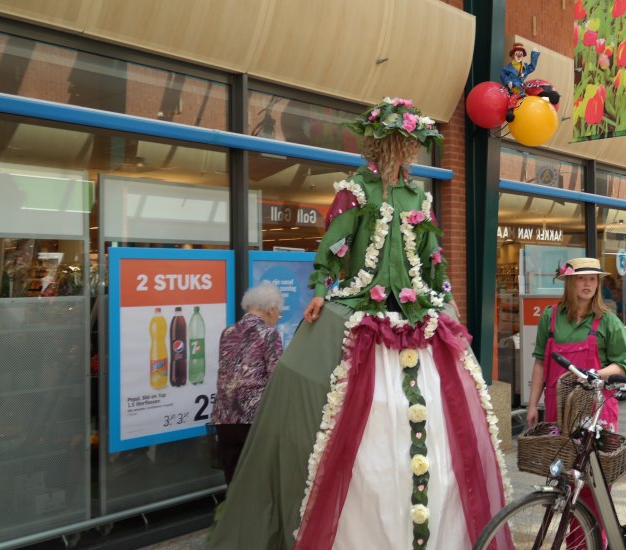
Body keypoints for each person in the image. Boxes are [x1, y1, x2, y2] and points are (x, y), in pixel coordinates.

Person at [208, 98, 508, 550]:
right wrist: (320, 287)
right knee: (316, 387)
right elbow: (334, 244)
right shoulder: (354, 191)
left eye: (407, 143)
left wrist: (443, 295)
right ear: (377, 144)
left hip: (416, 310)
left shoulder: (418, 197)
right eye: (392, 142)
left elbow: (431, 257)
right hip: (360, 307)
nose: (400, 151)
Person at [526, 257, 626, 431]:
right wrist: (532, 405)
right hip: (558, 406)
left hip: (596, 406)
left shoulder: (608, 321)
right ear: (570, 282)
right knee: (562, 456)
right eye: (581, 278)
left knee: (595, 457)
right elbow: (540, 363)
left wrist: (594, 374)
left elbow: (624, 364)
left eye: (592, 279)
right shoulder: (550, 317)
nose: (588, 284)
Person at [210, 281, 284, 485]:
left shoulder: (227, 332)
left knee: (233, 479)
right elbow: (276, 377)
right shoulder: (269, 334)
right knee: (256, 482)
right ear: (271, 309)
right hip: (254, 420)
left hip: (224, 419)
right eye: (279, 312)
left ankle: (231, 516)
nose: (278, 318)